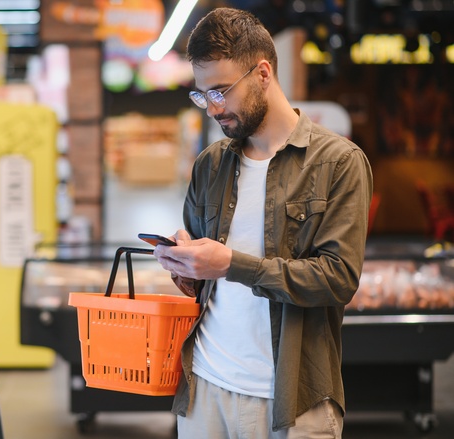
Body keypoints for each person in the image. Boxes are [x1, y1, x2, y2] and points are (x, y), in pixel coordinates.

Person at [152, 7, 373, 438]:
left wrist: (230, 263)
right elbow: (205, 282)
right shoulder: (210, 164)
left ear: (263, 73)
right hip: (204, 391)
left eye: (221, 90)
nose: (213, 108)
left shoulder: (338, 163)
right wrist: (187, 266)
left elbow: (339, 278)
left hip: (291, 399)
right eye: (202, 95)